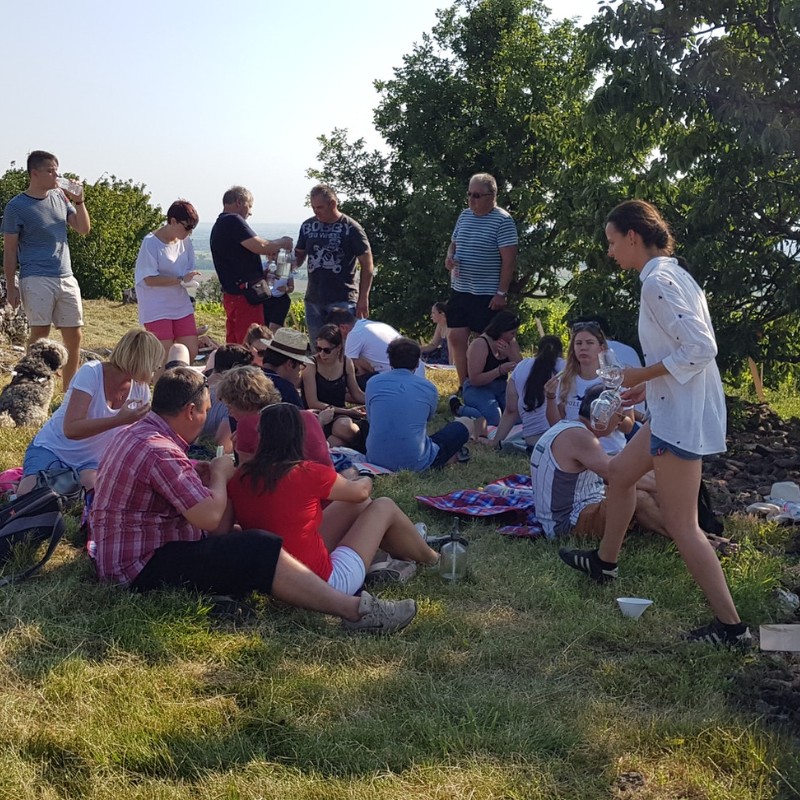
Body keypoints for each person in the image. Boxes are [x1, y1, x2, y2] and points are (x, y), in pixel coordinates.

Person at [88, 367, 416, 634]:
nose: (206, 419)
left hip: (126, 555)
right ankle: (355, 611)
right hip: (139, 567)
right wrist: (218, 475)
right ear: (189, 411)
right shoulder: (161, 451)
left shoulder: (138, 434)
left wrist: (199, 473)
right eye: (204, 412)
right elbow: (209, 519)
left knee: (244, 544)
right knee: (257, 546)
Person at [559, 199, 751, 647]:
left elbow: (702, 349)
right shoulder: (675, 274)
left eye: (611, 242)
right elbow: (683, 352)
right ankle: (605, 564)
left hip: (681, 419)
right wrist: (650, 387)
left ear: (633, 237)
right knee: (620, 474)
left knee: (683, 525)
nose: (610, 252)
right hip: (671, 407)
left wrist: (639, 375)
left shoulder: (657, 282)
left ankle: (731, 627)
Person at [226, 403, 438, 595]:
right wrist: (362, 476)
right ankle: (433, 559)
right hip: (324, 585)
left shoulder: (239, 478)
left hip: (274, 578)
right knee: (383, 505)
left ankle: (402, 550)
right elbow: (361, 492)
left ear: (260, 436)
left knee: (360, 506)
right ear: (299, 436)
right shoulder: (307, 472)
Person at [19, 329, 163, 493]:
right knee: (30, 495)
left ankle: (66, 485)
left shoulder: (141, 389)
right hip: (54, 449)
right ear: (143, 361)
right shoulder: (91, 372)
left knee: (96, 492)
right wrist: (119, 420)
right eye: (155, 363)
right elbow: (71, 429)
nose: (156, 368)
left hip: (92, 463)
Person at [2, 150, 91, 391]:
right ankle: (31, 384)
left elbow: (83, 229)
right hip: (36, 277)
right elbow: (9, 250)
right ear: (35, 173)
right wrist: (12, 287)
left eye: (57, 170)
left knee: (75, 336)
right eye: (50, 171)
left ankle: (69, 392)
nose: (56, 175)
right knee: (40, 335)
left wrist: (79, 201)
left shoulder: (60, 198)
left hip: (65, 275)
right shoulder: (16, 206)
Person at [532, 384, 664, 539]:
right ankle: (683, 534)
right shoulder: (579, 437)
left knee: (648, 478)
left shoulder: (571, 429)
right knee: (638, 496)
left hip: (571, 513)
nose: (620, 423)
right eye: (620, 417)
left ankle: (682, 523)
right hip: (566, 524)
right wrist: (667, 488)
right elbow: (617, 475)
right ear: (601, 414)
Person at [444, 173, 518, 388]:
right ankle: (464, 383)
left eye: (476, 195)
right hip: (461, 288)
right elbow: (453, 244)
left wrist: (501, 293)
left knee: (491, 340)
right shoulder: (464, 215)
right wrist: (449, 257)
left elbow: (509, 260)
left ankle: (495, 382)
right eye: (469, 194)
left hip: (487, 293)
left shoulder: (503, 221)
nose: (471, 199)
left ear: (491, 196)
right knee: (456, 337)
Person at [366, 338, 471, 472]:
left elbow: (371, 418)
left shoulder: (373, 383)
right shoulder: (429, 388)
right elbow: (428, 418)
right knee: (466, 423)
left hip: (376, 458)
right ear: (417, 363)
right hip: (416, 461)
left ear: (390, 360)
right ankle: (448, 458)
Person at [210, 186, 292, 344]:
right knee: (251, 343)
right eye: (250, 206)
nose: (250, 212)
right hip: (244, 296)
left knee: (235, 344)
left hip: (233, 294)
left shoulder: (220, 224)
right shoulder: (232, 220)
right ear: (239, 202)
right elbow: (260, 246)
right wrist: (283, 242)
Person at [294, 184, 373, 343]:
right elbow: (299, 254)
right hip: (313, 299)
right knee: (319, 347)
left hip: (342, 298)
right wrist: (284, 263)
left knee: (344, 347)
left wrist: (363, 298)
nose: (316, 211)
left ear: (333, 204)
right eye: (313, 207)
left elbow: (367, 264)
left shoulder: (351, 228)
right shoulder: (307, 226)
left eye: (320, 207)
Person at [544, 321, 633, 456]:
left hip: (610, 453)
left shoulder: (616, 379)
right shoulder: (564, 379)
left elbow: (628, 427)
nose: (583, 348)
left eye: (590, 343)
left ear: (601, 348)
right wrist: (550, 397)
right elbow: (556, 425)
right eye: (578, 343)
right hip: (576, 454)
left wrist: (614, 416)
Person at [216, 366, 331, 465]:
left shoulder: (247, 426)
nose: (230, 413)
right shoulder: (308, 417)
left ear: (245, 403)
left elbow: (245, 478)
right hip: (325, 482)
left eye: (230, 407)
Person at [134, 199, 202, 368]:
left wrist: (188, 279)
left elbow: (187, 272)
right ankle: (160, 391)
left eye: (192, 228)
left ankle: (180, 389)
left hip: (180, 304)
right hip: (156, 307)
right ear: (172, 221)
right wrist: (179, 280)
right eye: (187, 227)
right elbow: (149, 279)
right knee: (163, 359)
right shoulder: (151, 242)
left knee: (190, 350)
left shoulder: (185, 242)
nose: (189, 232)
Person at [492, 335, 564, 452]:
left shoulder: (521, 367)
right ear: (561, 353)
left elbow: (511, 410)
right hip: (559, 441)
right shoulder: (566, 369)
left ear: (536, 351)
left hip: (532, 441)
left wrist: (495, 441)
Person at [450, 311, 522, 427]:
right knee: (493, 418)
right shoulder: (480, 344)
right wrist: (499, 371)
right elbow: (475, 379)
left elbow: (522, 369)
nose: (513, 336)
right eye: (511, 333)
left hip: (501, 387)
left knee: (518, 417)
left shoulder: (511, 343)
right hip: (478, 388)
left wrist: (510, 353)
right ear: (501, 330)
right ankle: (459, 408)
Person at [301, 323, 368, 448]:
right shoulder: (311, 364)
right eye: (318, 349)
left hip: (339, 416)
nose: (322, 354)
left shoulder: (346, 362)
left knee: (343, 429)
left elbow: (357, 394)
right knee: (337, 440)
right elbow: (313, 402)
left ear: (338, 348)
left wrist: (374, 401)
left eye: (326, 350)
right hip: (318, 414)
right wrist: (348, 411)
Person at [326, 308, 425, 390]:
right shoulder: (373, 325)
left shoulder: (354, 334)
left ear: (343, 327)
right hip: (416, 375)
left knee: (341, 385)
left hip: (397, 383)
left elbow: (345, 366)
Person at [260, 327, 314, 406]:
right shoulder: (287, 391)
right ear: (290, 364)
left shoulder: (247, 378)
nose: (300, 371)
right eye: (300, 365)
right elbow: (297, 417)